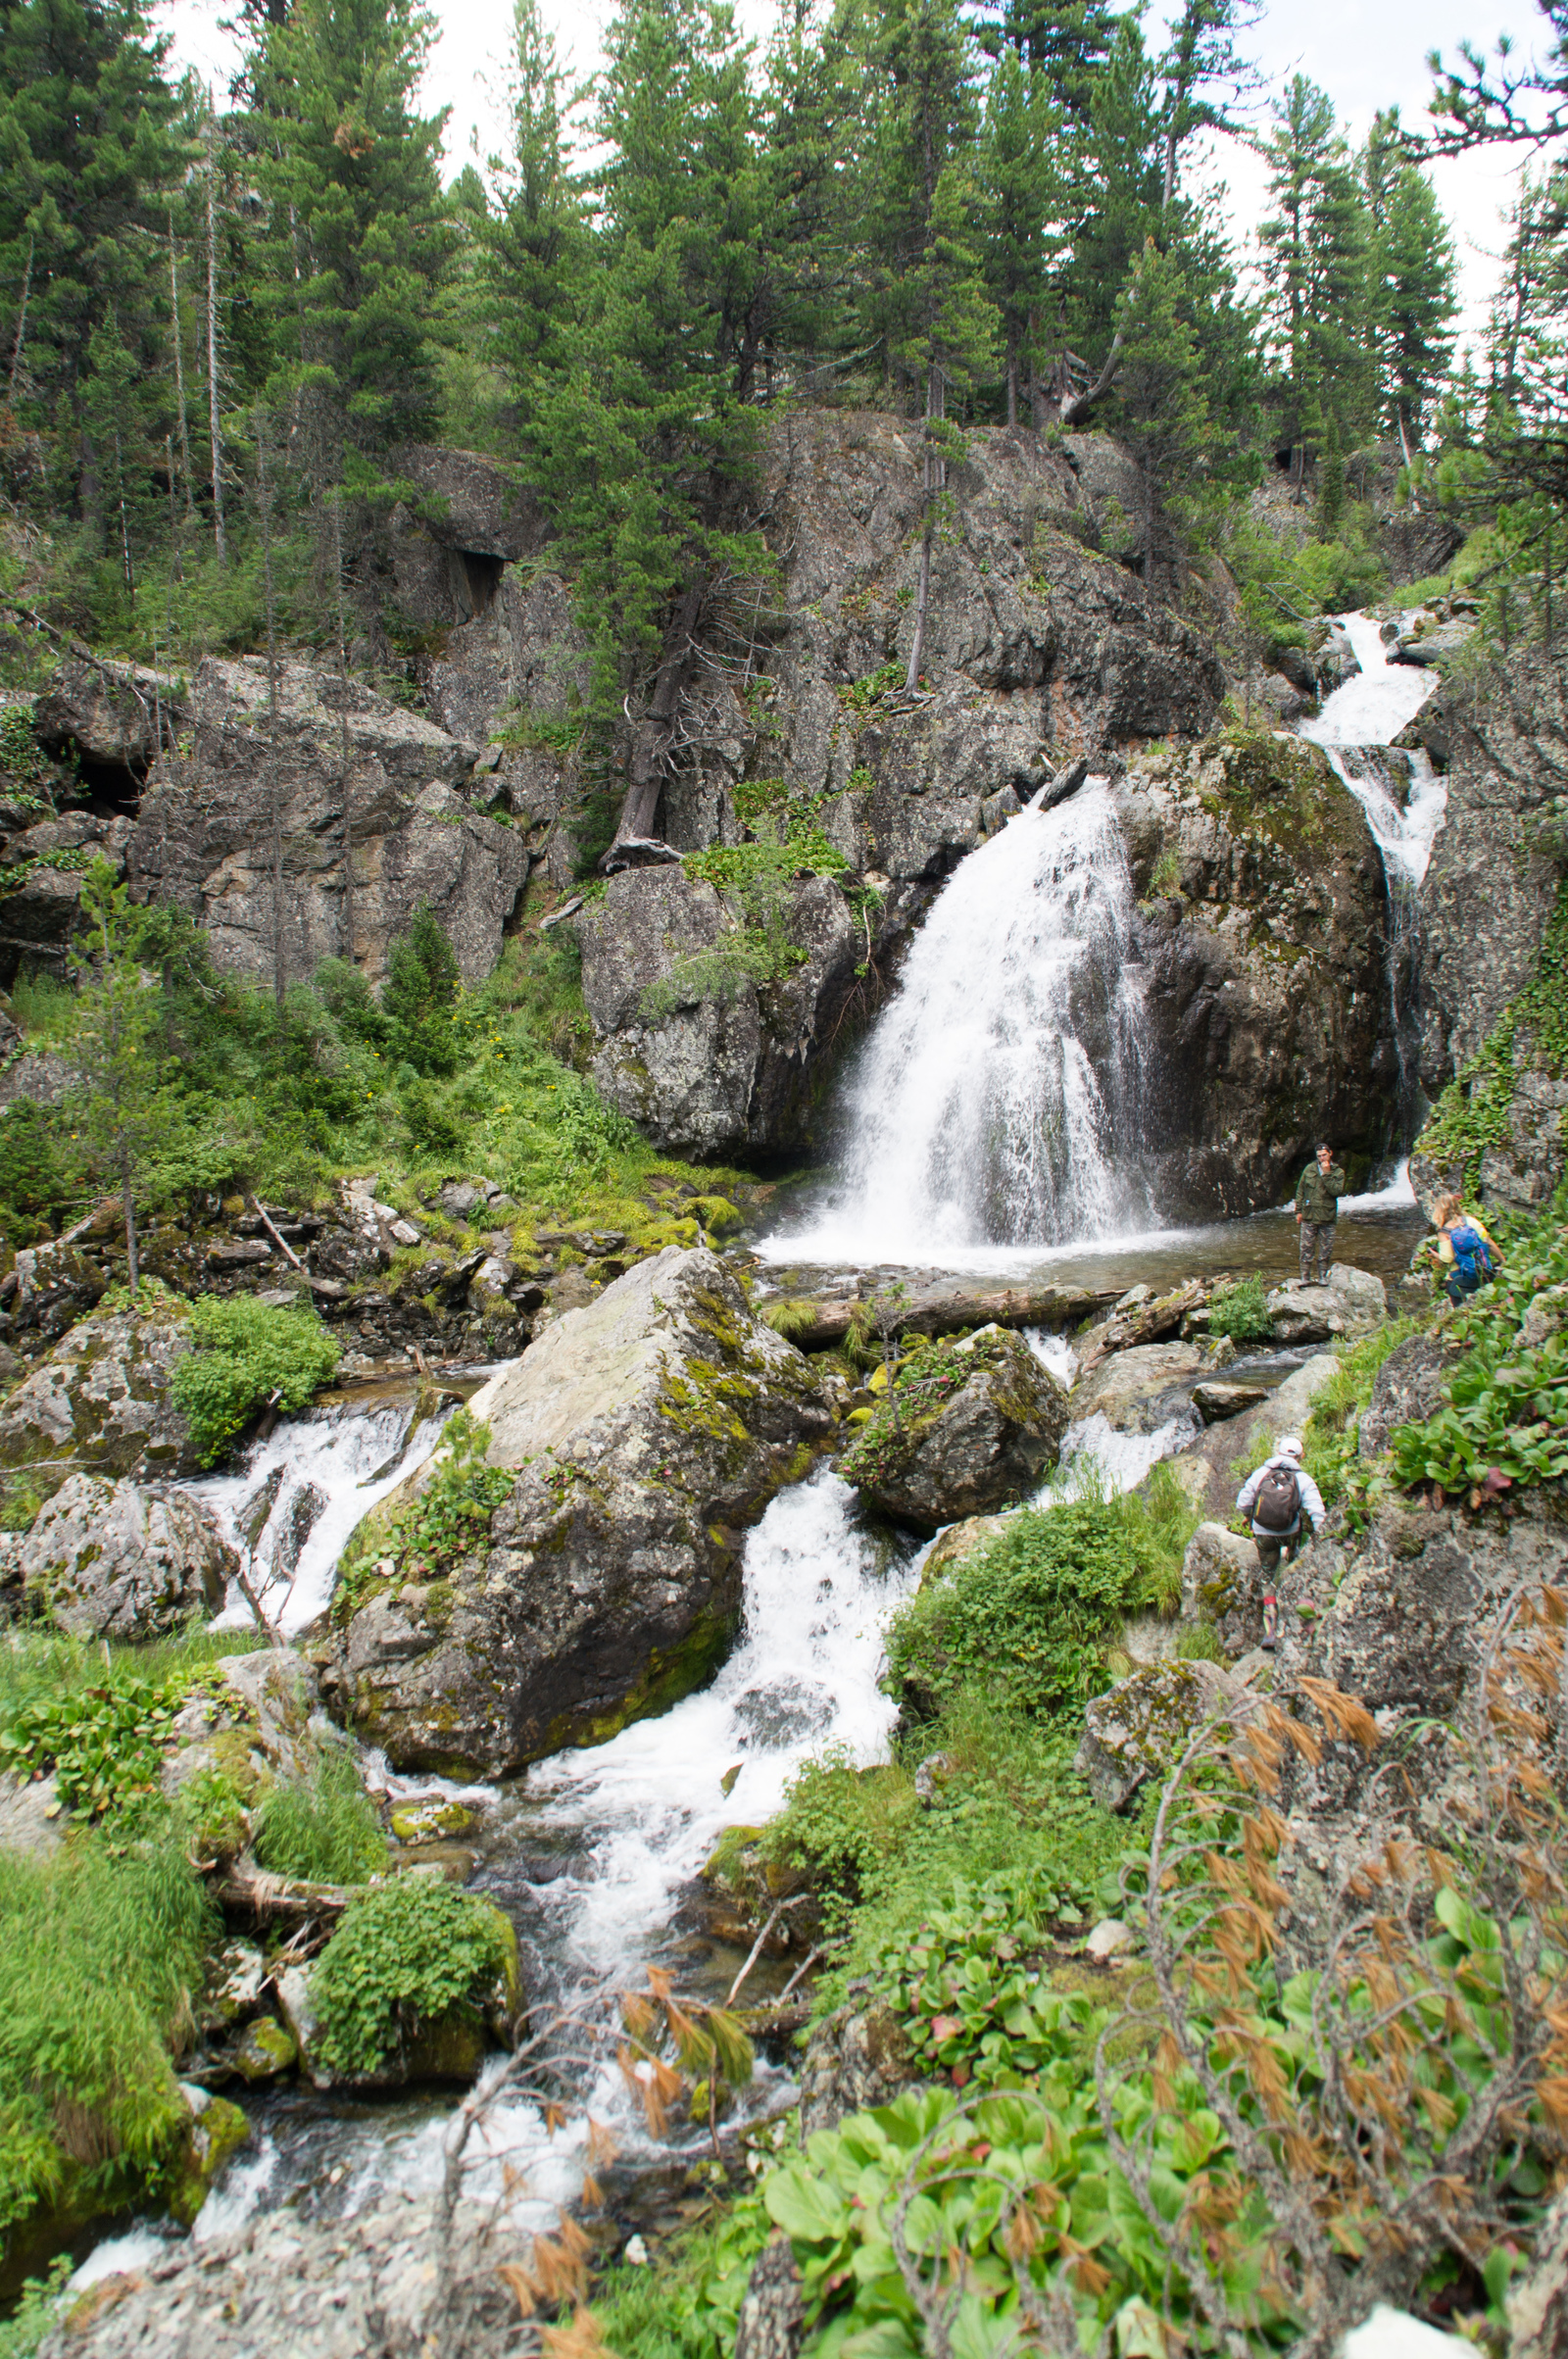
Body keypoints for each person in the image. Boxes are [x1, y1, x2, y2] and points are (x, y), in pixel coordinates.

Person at [1235, 1436, 1326, 1650]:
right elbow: (1317, 1512)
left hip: (1263, 1534)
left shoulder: (1261, 1473)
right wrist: (1323, 1536)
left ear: (1279, 1452)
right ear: (1300, 1456)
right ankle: (1293, 1567)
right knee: (1293, 1560)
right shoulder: (1302, 1479)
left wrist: (1249, 1515)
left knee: (1268, 1577)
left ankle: (1270, 1632)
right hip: (1290, 1532)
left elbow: (1242, 1503)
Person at [1428, 1191, 1503, 1307]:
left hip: (1459, 1278)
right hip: (1483, 1271)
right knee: (1484, 1305)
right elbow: (1489, 1242)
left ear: (1438, 1210)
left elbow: (1447, 1258)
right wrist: (1503, 1261)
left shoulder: (1444, 1232)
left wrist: (1433, 1254)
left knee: (1461, 1311)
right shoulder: (1472, 1222)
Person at [1295, 1143, 1346, 1285]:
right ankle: (1305, 1277)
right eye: (1319, 1156)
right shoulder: (1309, 1169)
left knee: (1326, 1248)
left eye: (1324, 1155)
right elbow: (1300, 1191)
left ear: (1330, 1153)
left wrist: (1327, 1173)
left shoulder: (1338, 1172)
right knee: (1306, 1247)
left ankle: (1323, 1276)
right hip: (1309, 1215)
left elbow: (1337, 1191)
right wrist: (1298, 1211)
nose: (1322, 1158)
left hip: (1327, 1216)